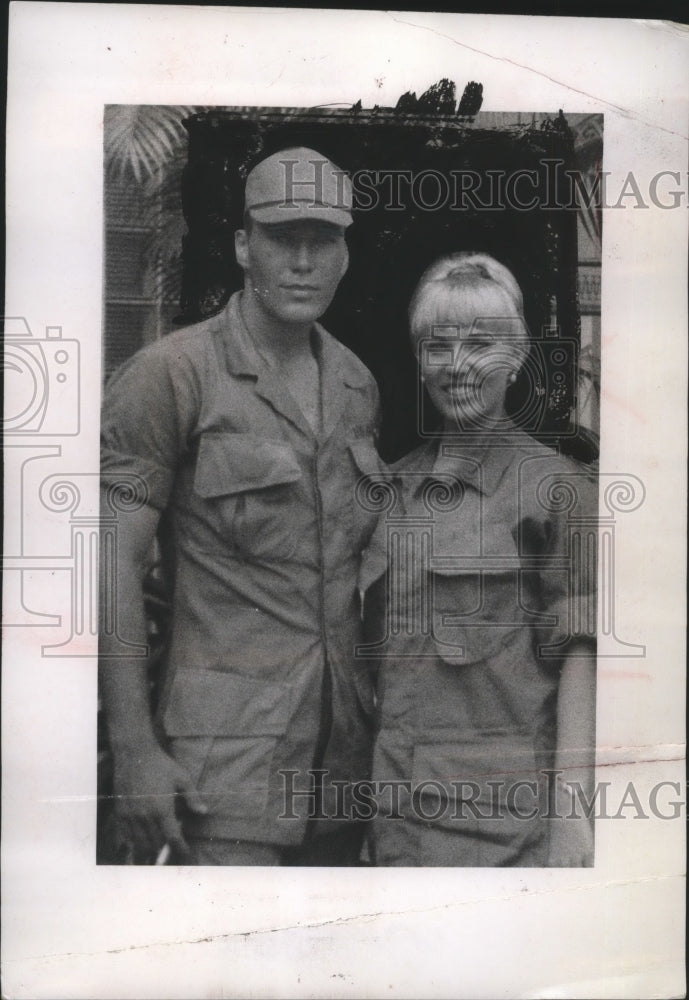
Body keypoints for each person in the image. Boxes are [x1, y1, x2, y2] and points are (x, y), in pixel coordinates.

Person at [99, 147, 383, 866]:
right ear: (241, 248)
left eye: (323, 241)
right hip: (221, 774)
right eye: (283, 238)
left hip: (341, 768)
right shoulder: (172, 374)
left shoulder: (356, 385)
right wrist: (133, 750)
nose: (302, 261)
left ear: (344, 254)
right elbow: (111, 566)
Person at [360, 252, 597, 867]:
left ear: (517, 357)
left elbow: (582, 656)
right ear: (419, 361)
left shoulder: (556, 489)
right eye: (437, 346)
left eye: (482, 344)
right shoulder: (392, 489)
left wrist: (573, 817)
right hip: (394, 821)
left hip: (503, 829)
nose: (458, 366)